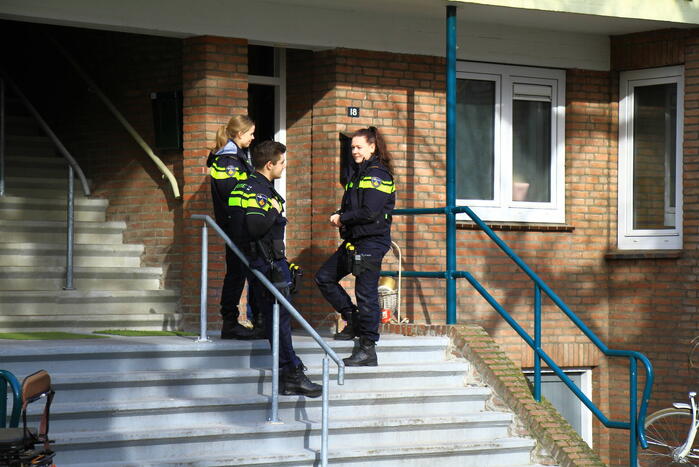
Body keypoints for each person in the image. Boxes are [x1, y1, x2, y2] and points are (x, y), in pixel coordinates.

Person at [228, 141, 322, 397]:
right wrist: (274, 209)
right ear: (269, 165)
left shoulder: (246, 186)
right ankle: (291, 373)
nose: (284, 166)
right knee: (279, 320)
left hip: (264, 260)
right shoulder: (258, 190)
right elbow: (255, 226)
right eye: (281, 162)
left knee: (276, 319)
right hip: (267, 262)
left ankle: (289, 372)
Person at [315, 126, 396, 367]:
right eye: (352, 147)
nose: (354, 151)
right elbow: (356, 206)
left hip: (371, 242)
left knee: (366, 294)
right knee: (324, 277)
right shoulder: (360, 174)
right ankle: (353, 319)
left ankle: (368, 349)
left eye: (359, 147)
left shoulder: (377, 175)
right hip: (355, 241)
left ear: (372, 147)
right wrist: (342, 213)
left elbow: (370, 212)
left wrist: (343, 218)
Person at [206, 115, 264, 340]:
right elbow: (234, 197)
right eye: (251, 133)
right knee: (237, 274)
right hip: (237, 227)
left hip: (241, 227)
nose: (253, 137)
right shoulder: (229, 161)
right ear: (239, 134)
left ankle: (255, 320)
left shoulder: (236, 157)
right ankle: (230, 323)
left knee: (243, 273)